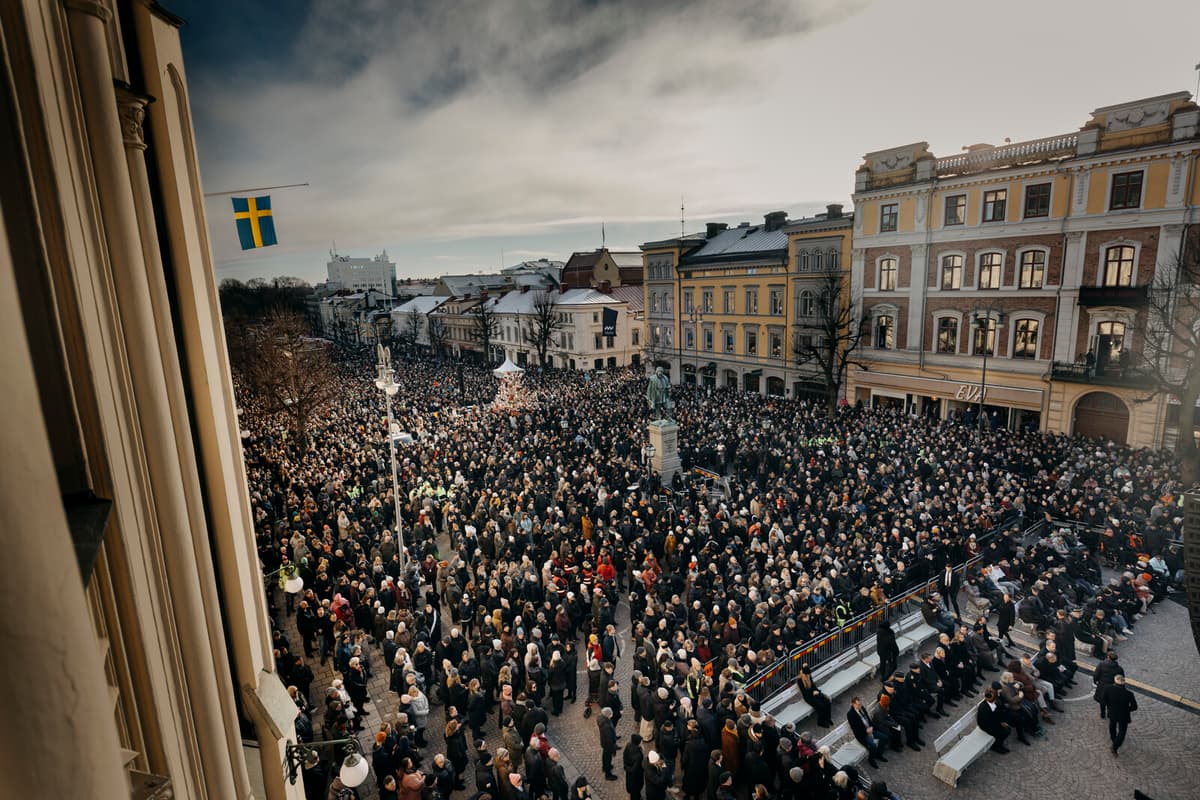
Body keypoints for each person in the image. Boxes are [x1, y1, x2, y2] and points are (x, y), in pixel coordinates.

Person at [846, 697, 888, 769]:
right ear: (853, 704)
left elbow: (868, 719)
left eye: (860, 704)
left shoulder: (862, 708)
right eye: (858, 704)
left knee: (884, 737)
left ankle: (878, 754)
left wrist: (871, 727)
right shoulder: (850, 714)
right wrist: (866, 731)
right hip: (862, 734)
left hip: (870, 729)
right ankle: (871, 759)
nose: (860, 706)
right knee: (873, 745)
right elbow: (855, 728)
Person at [1103, 674, 1137, 755]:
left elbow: (1104, 699)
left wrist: (1110, 706)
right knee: (1122, 732)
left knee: (1112, 726)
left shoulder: (1108, 688)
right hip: (1123, 715)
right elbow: (1134, 707)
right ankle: (1115, 746)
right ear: (1124, 683)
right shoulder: (1129, 694)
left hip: (1112, 712)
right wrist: (1126, 709)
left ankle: (1114, 739)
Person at [976, 688, 1011, 753]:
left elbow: (1000, 712)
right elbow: (988, 722)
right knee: (1005, 732)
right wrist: (1001, 724)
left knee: (1008, 728)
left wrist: (1003, 721)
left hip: (995, 721)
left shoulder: (996, 702)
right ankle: (995, 746)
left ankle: (999, 744)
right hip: (986, 725)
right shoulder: (983, 708)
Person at [1093, 651, 1124, 719]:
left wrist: (1095, 681)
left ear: (1108, 657)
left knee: (1102, 700)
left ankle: (1102, 713)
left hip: (1102, 686)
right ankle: (1110, 713)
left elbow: (1096, 674)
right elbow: (1121, 678)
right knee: (1111, 701)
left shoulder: (1101, 664)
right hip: (1113, 687)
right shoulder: (1119, 668)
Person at [598, 706, 619, 780]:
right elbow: (609, 740)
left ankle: (605, 767)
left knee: (605, 755)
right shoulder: (606, 726)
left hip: (604, 743)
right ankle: (608, 774)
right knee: (608, 758)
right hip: (608, 745)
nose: (612, 714)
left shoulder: (602, 719)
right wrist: (613, 749)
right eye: (611, 713)